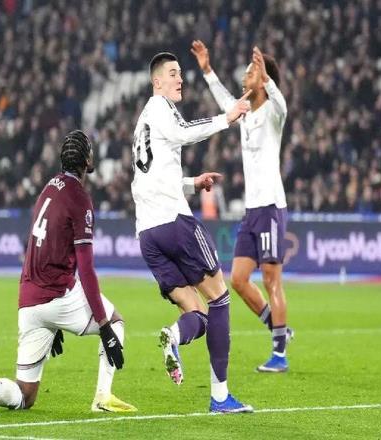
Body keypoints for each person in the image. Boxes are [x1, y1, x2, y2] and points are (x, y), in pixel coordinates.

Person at [0, 130, 137, 413]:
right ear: (87, 160)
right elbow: (86, 269)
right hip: (58, 295)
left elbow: (36, 244)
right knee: (116, 321)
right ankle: (103, 397)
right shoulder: (80, 198)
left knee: (25, 395)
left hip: (29, 300)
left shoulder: (49, 187)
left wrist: (53, 325)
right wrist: (104, 326)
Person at [131, 51, 253, 413]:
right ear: (157, 82)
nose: (180, 79)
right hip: (174, 223)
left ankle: (173, 335)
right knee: (220, 298)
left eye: (180, 73)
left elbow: (151, 176)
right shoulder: (161, 108)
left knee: (197, 313)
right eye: (173, 74)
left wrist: (190, 182)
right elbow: (184, 133)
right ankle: (220, 397)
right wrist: (227, 117)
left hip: (147, 234)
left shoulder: (142, 122)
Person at [191, 40, 293, 373]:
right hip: (252, 211)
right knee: (237, 279)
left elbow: (282, 104)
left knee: (272, 280)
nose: (244, 77)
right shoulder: (246, 112)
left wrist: (268, 78)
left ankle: (279, 354)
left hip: (271, 207)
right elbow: (225, 102)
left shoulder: (274, 112)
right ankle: (279, 328)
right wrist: (207, 70)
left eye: (250, 73)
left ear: (262, 79)